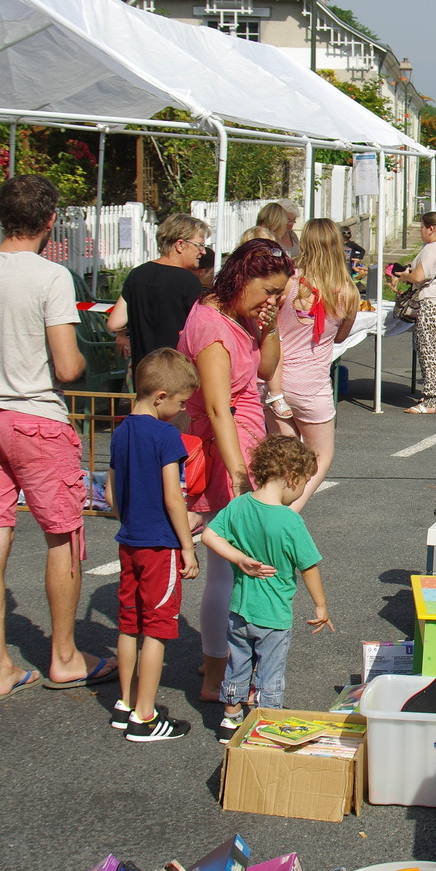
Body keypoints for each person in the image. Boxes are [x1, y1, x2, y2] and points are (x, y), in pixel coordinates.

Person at [0, 174, 104, 701]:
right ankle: (64, 656)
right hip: (36, 418)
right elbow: (68, 366)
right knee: (62, 535)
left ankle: (0, 667)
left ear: (1, 216)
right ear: (50, 220)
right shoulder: (51, 276)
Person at [179, 238, 290, 702]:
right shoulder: (211, 325)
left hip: (243, 441)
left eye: (278, 294)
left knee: (234, 570)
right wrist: (240, 477)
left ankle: (224, 669)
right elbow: (217, 409)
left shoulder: (236, 312)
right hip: (226, 449)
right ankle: (216, 676)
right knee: (229, 572)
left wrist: (269, 325)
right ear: (243, 278)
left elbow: (266, 369)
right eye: (268, 291)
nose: (272, 300)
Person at [201, 435, 335, 729]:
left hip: (239, 609)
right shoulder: (289, 521)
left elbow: (209, 536)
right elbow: (308, 567)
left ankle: (230, 718)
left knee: (238, 663)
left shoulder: (239, 506)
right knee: (270, 672)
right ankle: (266, 722)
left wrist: (238, 558)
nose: (301, 491)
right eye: (303, 483)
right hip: (274, 615)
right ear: (291, 477)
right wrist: (321, 605)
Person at [107, 348, 201, 744]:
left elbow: (111, 493)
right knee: (158, 629)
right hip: (160, 545)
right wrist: (188, 547)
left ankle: (125, 702)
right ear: (161, 396)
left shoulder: (121, 431)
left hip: (129, 541)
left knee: (129, 623)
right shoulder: (167, 436)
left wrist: (130, 517)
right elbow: (173, 497)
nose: (182, 410)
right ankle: (144, 717)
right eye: (180, 402)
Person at [268, 218, 360, 509]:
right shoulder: (347, 291)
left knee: (282, 458)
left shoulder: (288, 283)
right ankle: (291, 511)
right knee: (320, 456)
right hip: (311, 384)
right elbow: (340, 337)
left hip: (276, 379)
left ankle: (273, 506)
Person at [105, 214, 209, 375]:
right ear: (180, 245)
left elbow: (114, 323)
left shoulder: (136, 275)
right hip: (176, 373)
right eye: (199, 245)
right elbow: (203, 331)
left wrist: (125, 334)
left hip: (143, 372)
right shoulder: (188, 281)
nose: (203, 252)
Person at [392, 212, 436, 414]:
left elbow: (419, 276)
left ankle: (429, 400)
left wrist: (405, 276)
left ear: (431, 229)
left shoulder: (431, 249)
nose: (421, 231)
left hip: (432, 304)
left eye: (422, 227)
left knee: (428, 352)